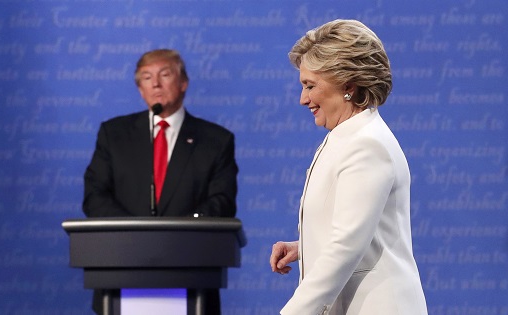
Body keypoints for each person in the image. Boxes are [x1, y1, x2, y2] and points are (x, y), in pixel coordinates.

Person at [269, 20, 428, 315]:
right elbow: (356, 230)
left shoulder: (366, 146)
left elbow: (345, 248)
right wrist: (305, 246)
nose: (303, 99)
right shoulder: (348, 137)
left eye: (310, 86)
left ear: (348, 86)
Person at [83, 48, 238, 314]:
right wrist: (137, 235)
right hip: (122, 268)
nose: (155, 83)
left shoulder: (216, 140)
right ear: (140, 89)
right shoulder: (113, 134)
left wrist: (176, 236)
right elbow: (95, 196)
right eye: (146, 77)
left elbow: (222, 202)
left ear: (183, 83)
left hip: (191, 274)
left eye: (164, 74)